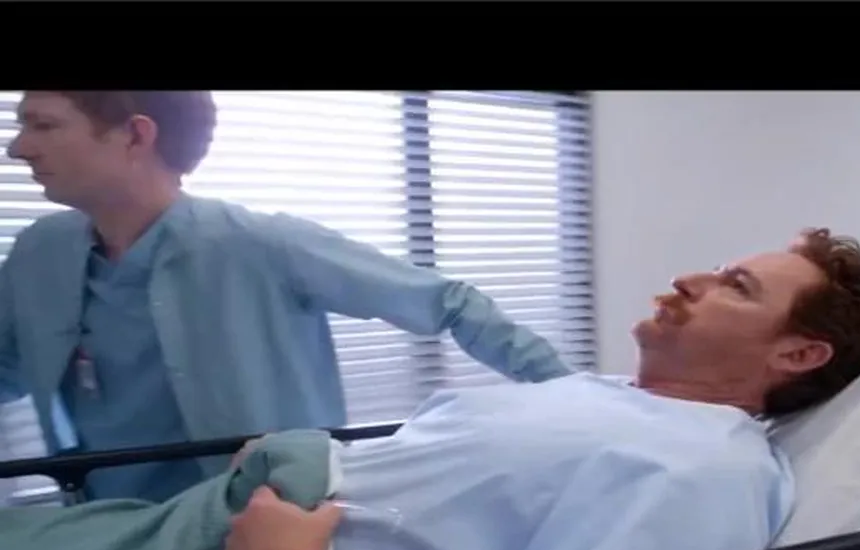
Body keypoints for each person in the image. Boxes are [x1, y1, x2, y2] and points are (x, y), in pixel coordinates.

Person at [216, 228, 860, 550]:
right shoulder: (605, 395)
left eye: (736, 286)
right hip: (219, 526)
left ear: (797, 355)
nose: (687, 279)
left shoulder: (704, 469)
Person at [1, 91, 572, 503]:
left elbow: (450, 303)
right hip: (104, 536)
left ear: (135, 135)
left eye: (43, 125)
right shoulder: (38, 255)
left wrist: (589, 407)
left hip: (257, 538)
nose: (18, 148)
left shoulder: (259, 246)